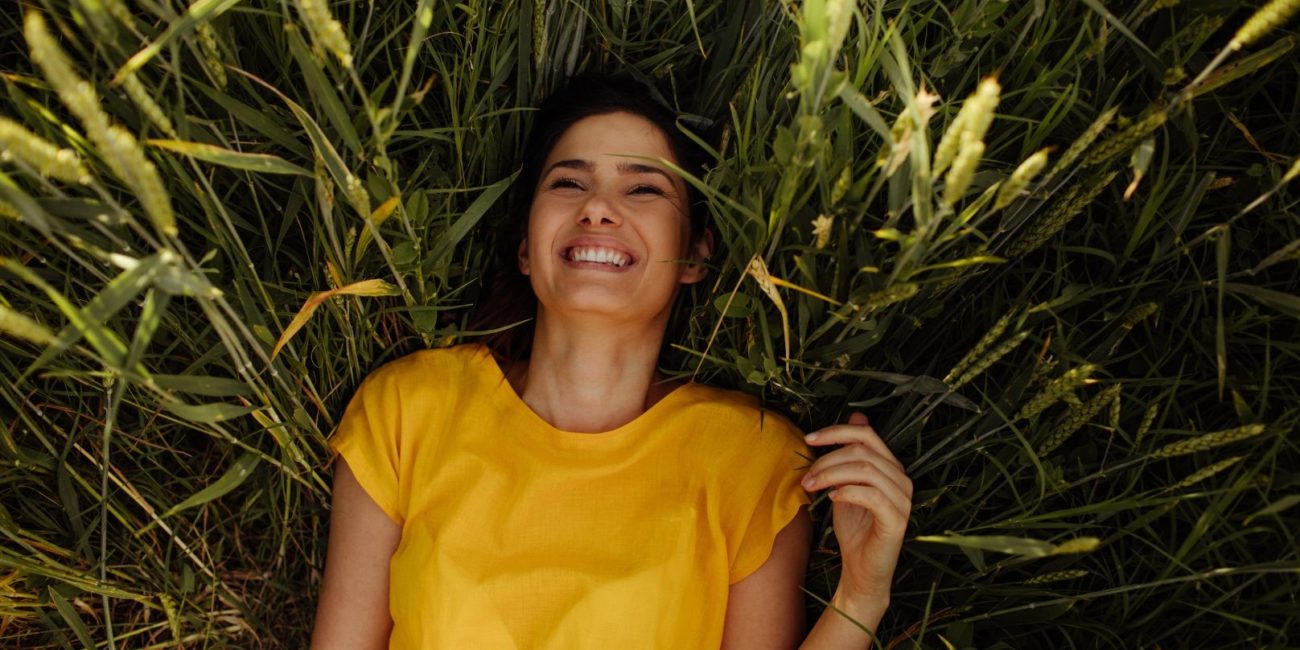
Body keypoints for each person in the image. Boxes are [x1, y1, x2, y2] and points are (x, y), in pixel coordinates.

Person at [311, 76, 912, 649]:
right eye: (568, 183)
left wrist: (860, 600)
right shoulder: (407, 412)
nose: (598, 207)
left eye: (644, 188)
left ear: (695, 254)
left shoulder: (752, 459)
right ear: (526, 244)